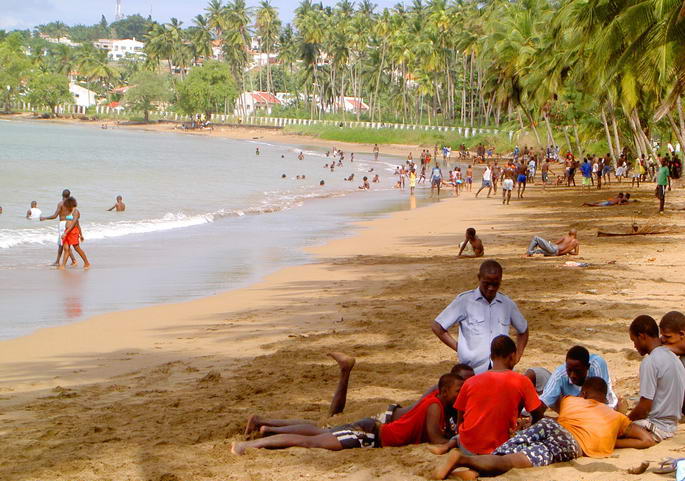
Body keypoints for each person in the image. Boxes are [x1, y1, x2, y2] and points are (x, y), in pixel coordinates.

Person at [433, 377, 655, 479]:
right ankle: (462, 460)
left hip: (550, 425)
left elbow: (548, 413)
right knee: (516, 460)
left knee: (508, 448)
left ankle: (473, 470)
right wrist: (611, 440)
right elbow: (646, 440)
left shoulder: (570, 400)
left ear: (584, 394)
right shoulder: (615, 417)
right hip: (570, 443)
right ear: (604, 398)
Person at [231, 372, 460, 455]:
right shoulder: (435, 406)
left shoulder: (434, 400)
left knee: (318, 434)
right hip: (370, 437)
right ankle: (247, 446)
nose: (462, 394)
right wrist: (455, 442)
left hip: (372, 430)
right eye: (459, 391)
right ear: (444, 391)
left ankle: (266, 427)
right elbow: (435, 438)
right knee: (312, 442)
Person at [433, 336, 544, 456]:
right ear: (512, 356)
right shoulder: (522, 381)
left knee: (459, 436)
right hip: (500, 448)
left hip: (467, 446)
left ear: (491, 357)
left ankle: (450, 448)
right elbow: (537, 414)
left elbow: (461, 419)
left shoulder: (470, 382)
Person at [431, 260, 529, 373]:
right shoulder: (464, 301)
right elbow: (437, 326)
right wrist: (460, 349)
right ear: (479, 278)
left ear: (501, 280)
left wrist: (518, 355)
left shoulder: (507, 304)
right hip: (473, 371)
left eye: (495, 284)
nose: (491, 288)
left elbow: (523, 330)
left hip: (501, 371)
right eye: (487, 283)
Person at [628, 315, 685, 442]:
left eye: (634, 340)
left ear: (642, 336)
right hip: (672, 426)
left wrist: (624, 421)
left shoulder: (650, 361)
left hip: (656, 427)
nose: (634, 346)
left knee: (612, 431)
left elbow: (644, 407)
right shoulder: (675, 358)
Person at [539, 345, 617, 411]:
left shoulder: (597, 365)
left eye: (577, 371)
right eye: (569, 370)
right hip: (573, 411)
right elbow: (545, 400)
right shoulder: (559, 375)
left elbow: (600, 400)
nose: (573, 375)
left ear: (587, 367)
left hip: (599, 409)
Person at [40, 189, 76, 266]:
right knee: (64, 243)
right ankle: (68, 260)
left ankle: (63, 261)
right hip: (70, 223)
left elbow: (55, 216)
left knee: (62, 243)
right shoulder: (72, 204)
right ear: (69, 195)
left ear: (62, 195)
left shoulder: (61, 204)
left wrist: (45, 218)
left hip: (63, 224)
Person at [59, 197, 90, 270]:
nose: (65, 206)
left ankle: (87, 262)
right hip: (67, 231)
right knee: (66, 248)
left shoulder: (76, 211)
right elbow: (77, 224)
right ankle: (63, 265)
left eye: (66, 204)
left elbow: (74, 224)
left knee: (77, 248)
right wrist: (66, 232)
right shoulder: (69, 211)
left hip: (72, 232)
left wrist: (80, 235)